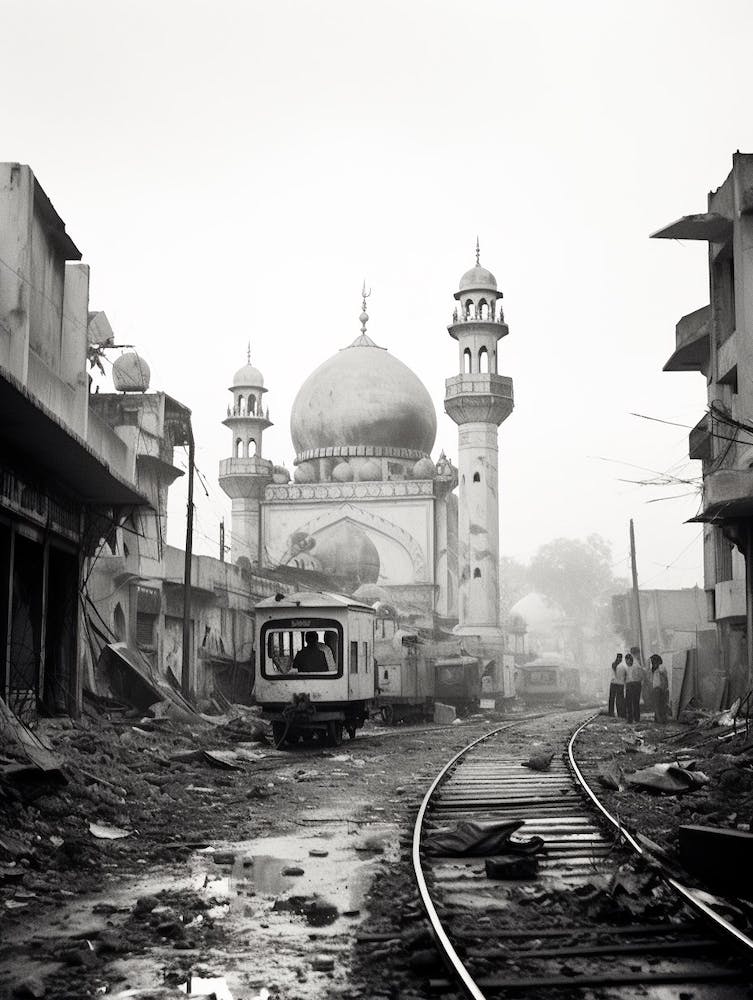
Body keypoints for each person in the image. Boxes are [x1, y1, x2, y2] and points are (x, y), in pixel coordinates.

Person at [625, 652, 644, 724]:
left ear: (631, 660)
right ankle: (630, 719)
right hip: (629, 685)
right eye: (626, 661)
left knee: (635, 702)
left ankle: (636, 718)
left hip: (636, 685)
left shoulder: (637, 667)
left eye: (628, 661)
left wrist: (637, 683)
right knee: (628, 702)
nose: (627, 662)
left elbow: (641, 676)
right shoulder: (627, 668)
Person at [650, 653, 669, 722]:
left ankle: (659, 719)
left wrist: (664, 688)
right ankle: (659, 718)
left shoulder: (661, 667)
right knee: (659, 704)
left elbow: (663, 678)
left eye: (653, 661)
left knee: (658, 704)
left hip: (659, 688)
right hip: (657, 688)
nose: (652, 663)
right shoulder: (656, 668)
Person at [608, 653, 624, 717]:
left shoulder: (614, 664)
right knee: (619, 699)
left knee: (612, 698)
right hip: (619, 683)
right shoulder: (621, 666)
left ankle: (611, 713)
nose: (620, 659)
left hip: (614, 683)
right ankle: (619, 713)